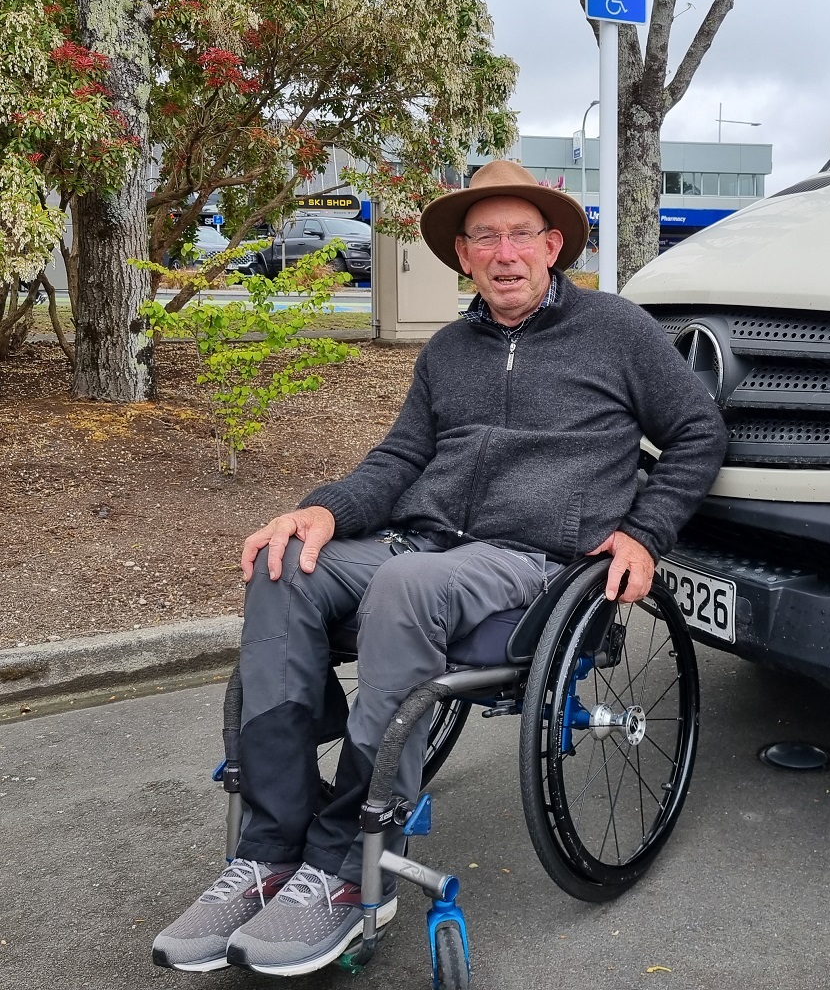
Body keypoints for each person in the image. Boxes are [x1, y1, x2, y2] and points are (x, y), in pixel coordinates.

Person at [152, 159, 726, 976]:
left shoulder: (617, 330)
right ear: (463, 255)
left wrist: (646, 533)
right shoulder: (449, 351)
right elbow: (399, 460)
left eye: (521, 234)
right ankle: (272, 850)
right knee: (284, 566)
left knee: (403, 586)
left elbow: (699, 432)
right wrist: (322, 510)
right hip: (422, 543)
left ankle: (351, 870)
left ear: (553, 244)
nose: (504, 252)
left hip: (533, 559)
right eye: (484, 236)